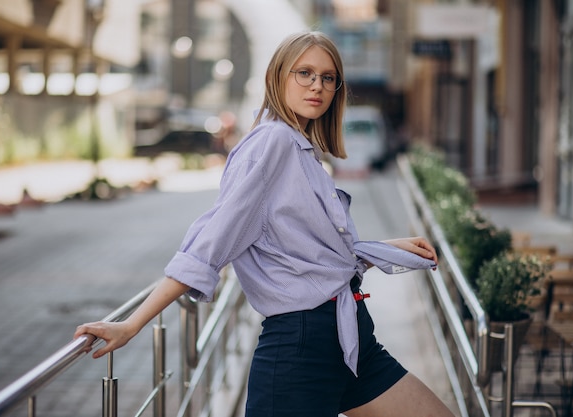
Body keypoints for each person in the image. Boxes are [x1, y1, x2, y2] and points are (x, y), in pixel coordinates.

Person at [74, 31, 455, 417]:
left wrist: (378, 249)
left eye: (327, 78)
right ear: (277, 77)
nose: (317, 86)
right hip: (301, 351)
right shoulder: (272, 143)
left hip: (351, 340)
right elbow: (210, 242)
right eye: (304, 73)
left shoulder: (302, 149)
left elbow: (304, 254)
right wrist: (132, 324)